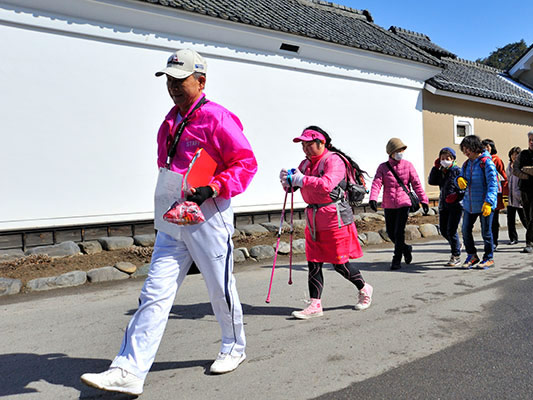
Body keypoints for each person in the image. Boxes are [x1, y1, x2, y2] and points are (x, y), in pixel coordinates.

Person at [81, 49, 258, 395]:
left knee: (219, 287)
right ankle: (129, 369)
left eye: (181, 80)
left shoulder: (218, 118)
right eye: (169, 80)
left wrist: (214, 186)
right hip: (173, 216)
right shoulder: (171, 119)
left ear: (201, 81)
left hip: (209, 215)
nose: (173, 86)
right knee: (153, 293)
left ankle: (234, 346)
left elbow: (246, 163)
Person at [281, 126, 373, 319]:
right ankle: (315, 304)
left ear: (321, 143)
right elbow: (295, 187)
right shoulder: (305, 164)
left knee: (340, 263)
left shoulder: (334, 160)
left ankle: (364, 288)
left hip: (335, 218)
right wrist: (287, 182)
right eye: (303, 145)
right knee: (313, 262)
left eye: (309, 144)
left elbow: (327, 184)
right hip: (314, 218)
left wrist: (300, 179)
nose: (305, 149)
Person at [369, 138, 429, 270]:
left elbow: (416, 184)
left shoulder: (408, 165)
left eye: (401, 150)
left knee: (398, 232)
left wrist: (423, 200)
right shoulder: (383, 167)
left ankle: (396, 259)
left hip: (404, 202)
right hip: (389, 203)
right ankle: (406, 248)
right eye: (397, 150)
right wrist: (373, 198)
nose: (400, 152)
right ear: (390, 152)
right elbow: (377, 183)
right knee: (390, 232)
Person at [457, 135, 498, 269]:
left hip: (484, 204)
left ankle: (489, 257)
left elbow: (493, 184)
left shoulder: (486, 162)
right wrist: (459, 180)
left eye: (467, 149)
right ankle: (472, 255)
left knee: (486, 232)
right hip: (469, 204)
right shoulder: (466, 164)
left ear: (474, 147)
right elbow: (460, 178)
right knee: (465, 230)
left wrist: (489, 202)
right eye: (463, 150)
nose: (465, 152)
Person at [428, 147, 465, 266]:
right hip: (444, 205)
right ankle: (457, 245)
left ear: (453, 159)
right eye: (442, 158)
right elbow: (432, 181)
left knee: (451, 230)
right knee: (443, 230)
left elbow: (464, 188)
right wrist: (435, 167)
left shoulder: (457, 171)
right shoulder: (441, 171)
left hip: (456, 206)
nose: (444, 160)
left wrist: (456, 195)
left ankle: (456, 255)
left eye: (447, 158)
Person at [482, 139, 507, 250]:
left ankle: (494, 241)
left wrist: (505, 193)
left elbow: (503, 176)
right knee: (485, 220)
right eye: (483, 147)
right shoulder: (479, 159)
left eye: (487, 146)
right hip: (482, 193)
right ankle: (487, 241)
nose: (485, 149)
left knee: (493, 220)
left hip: (495, 194)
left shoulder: (496, 160)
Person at [506, 146, 526, 245]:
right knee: (510, 221)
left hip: (519, 197)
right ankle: (513, 238)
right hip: (510, 197)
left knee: (525, 219)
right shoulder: (509, 166)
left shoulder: (522, 167)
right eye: (512, 154)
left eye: (516, 154)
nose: (514, 156)